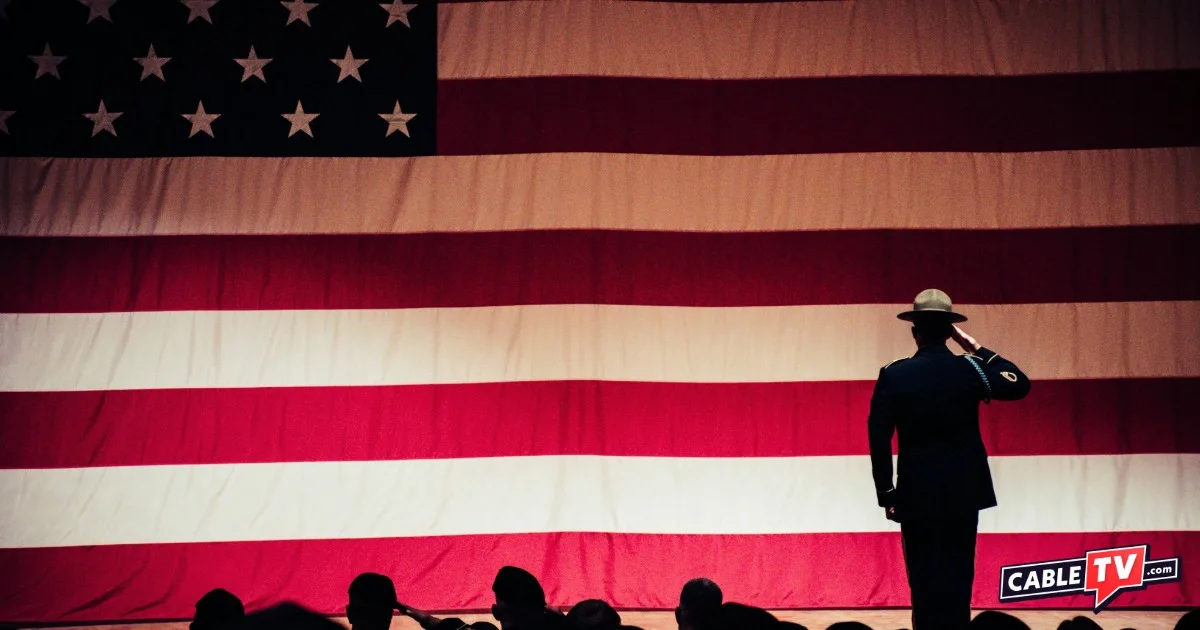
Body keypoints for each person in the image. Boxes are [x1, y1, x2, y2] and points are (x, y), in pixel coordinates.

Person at [867, 289, 1031, 630]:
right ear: (949, 332)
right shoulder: (970, 369)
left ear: (915, 332)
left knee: (924, 578)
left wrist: (887, 493)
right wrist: (973, 346)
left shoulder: (895, 374)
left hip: (916, 492)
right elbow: (1018, 384)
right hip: (963, 491)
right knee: (958, 574)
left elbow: (879, 437)